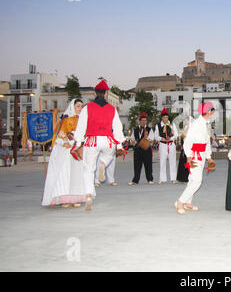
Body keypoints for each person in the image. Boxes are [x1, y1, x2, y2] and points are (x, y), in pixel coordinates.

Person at [73, 80, 126, 211]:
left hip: (93, 140)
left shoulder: (87, 108)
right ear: (106, 94)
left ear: (95, 93)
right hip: (107, 140)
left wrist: (78, 143)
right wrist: (119, 145)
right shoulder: (112, 109)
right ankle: (103, 163)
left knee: (88, 169)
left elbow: (81, 127)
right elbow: (118, 128)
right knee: (108, 155)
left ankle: (89, 195)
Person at [42, 99, 87, 208]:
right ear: (73, 107)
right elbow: (60, 135)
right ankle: (63, 199)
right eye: (78, 106)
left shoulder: (81, 120)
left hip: (77, 150)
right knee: (65, 175)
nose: (80, 109)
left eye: (81, 106)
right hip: (66, 152)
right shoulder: (65, 120)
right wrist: (65, 142)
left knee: (75, 175)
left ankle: (73, 198)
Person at [174, 102, 215, 215]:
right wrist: (189, 157)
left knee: (192, 179)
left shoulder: (206, 124)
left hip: (201, 154)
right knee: (197, 181)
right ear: (208, 112)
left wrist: (209, 157)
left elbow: (206, 142)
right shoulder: (196, 124)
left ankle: (188, 203)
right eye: (212, 112)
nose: (213, 114)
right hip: (194, 154)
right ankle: (180, 201)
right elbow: (187, 142)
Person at [128, 113, 155, 185]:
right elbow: (132, 138)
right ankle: (135, 180)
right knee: (137, 165)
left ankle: (150, 179)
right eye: (142, 120)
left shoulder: (149, 129)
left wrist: (147, 139)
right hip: (137, 150)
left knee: (148, 165)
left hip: (146, 150)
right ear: (140, 121)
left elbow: (152, 138)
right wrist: (132, 141)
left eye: (145, 120)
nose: (144, 122)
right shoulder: (136, 129)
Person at [155, 108, 178, 184]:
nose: (165, 119)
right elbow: (156, 136)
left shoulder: (172, 124)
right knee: (162, 161)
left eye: (167, 117)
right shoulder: (158, 125)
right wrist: (161, 138)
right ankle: (162, 178)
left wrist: (171, 138)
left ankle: (173, 178)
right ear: (162, 118)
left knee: (172, 161)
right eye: (164, 117)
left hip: (171, 144)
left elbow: (176, 134)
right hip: (163, 144)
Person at [176, 116, 193, 183]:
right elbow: (182, 137)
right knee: (183, 162)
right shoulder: (185, 127)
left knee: (188, 162)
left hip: (189, 147)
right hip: (184, 147)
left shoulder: (192, 128)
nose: (186, 122)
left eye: (187, 120)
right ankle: (182, 178)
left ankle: (189, 177)